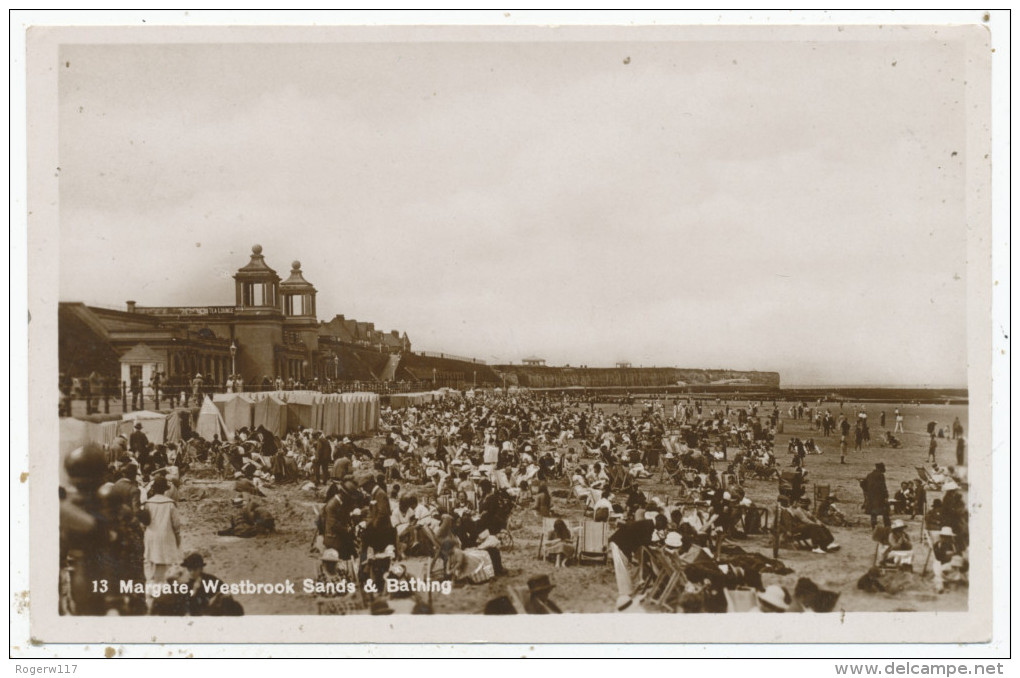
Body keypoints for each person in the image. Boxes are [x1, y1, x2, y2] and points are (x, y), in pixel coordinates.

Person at [142, 475, 181, 606]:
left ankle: (151, 594)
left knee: (151, 564)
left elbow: (144, 522)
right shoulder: (170, 503)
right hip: (166, 535)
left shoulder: (148, 503)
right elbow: (176, 524)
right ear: (165, 489)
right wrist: (177, 538)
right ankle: (167, 593)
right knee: (167, 563)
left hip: (151, 535)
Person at [861, 462, 891, 528]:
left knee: (873, 512)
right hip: (880, 497)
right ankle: (887, 526)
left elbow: (863, 484)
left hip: (871, 497)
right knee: (885, 511)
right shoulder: (881, 475)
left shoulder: (869, 475)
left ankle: (873, 526)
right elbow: (883, 487)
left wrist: (867, 493)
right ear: (880, 468)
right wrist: (886, 496)